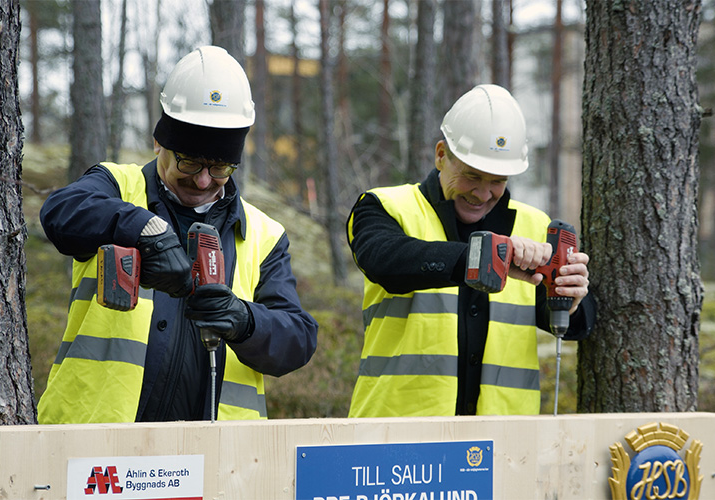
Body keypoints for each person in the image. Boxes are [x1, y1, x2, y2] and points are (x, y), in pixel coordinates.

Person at [38, 46, 318, 424]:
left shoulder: (264, 234)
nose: (203, 180)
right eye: (188, 162)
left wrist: (245, 320)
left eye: (219, 167)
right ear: (160, 143)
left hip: (220, 458)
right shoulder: (118, 187)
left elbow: (299, 339)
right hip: (99, 445)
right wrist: (144, 228)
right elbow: (60, 212)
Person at [346, 84, 595, 417]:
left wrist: (573, 300)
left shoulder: (536, 227)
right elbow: (383, 261)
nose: (482, 193)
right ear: (440, 155)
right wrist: (479, 259)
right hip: (399, 436)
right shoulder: (385, 207)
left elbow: (574, 325)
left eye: (497, 181)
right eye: (471, 176)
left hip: (504, 443)